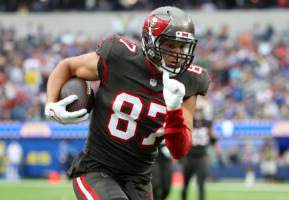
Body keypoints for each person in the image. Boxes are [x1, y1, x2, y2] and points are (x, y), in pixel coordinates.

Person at [45, 6, 210, 200]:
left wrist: (174, 110)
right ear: (150, 41)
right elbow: (68, 66)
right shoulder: (119, 57)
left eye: (182, 47)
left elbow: (179, 150)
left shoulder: (189, 81)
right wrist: (50, 103)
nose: (177, 54)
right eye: (170, 46)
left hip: (139, 179)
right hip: (97, 168)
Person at [181, 103, 220, 200]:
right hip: (188, 156)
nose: (198, 112)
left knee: (201, 184)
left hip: (201, 158)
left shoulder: (207, 123)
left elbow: (213, 139)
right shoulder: (188, 121)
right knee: (185, 184)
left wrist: (218, 153)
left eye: (199, 110)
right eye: (196, 110)